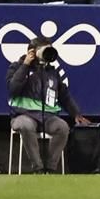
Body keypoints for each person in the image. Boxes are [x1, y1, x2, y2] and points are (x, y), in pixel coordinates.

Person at [6, 36, 91, 173]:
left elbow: (65, 96)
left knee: (62, 127)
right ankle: (38, 168)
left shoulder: (52, 72)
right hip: (22, 114)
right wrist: (26, 65)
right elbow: (13, 89)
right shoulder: (17, 67)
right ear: (32, 52)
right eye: (45, 50)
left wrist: (76, 114)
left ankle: (50, 169)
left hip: (47, 117)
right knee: (26, 125)